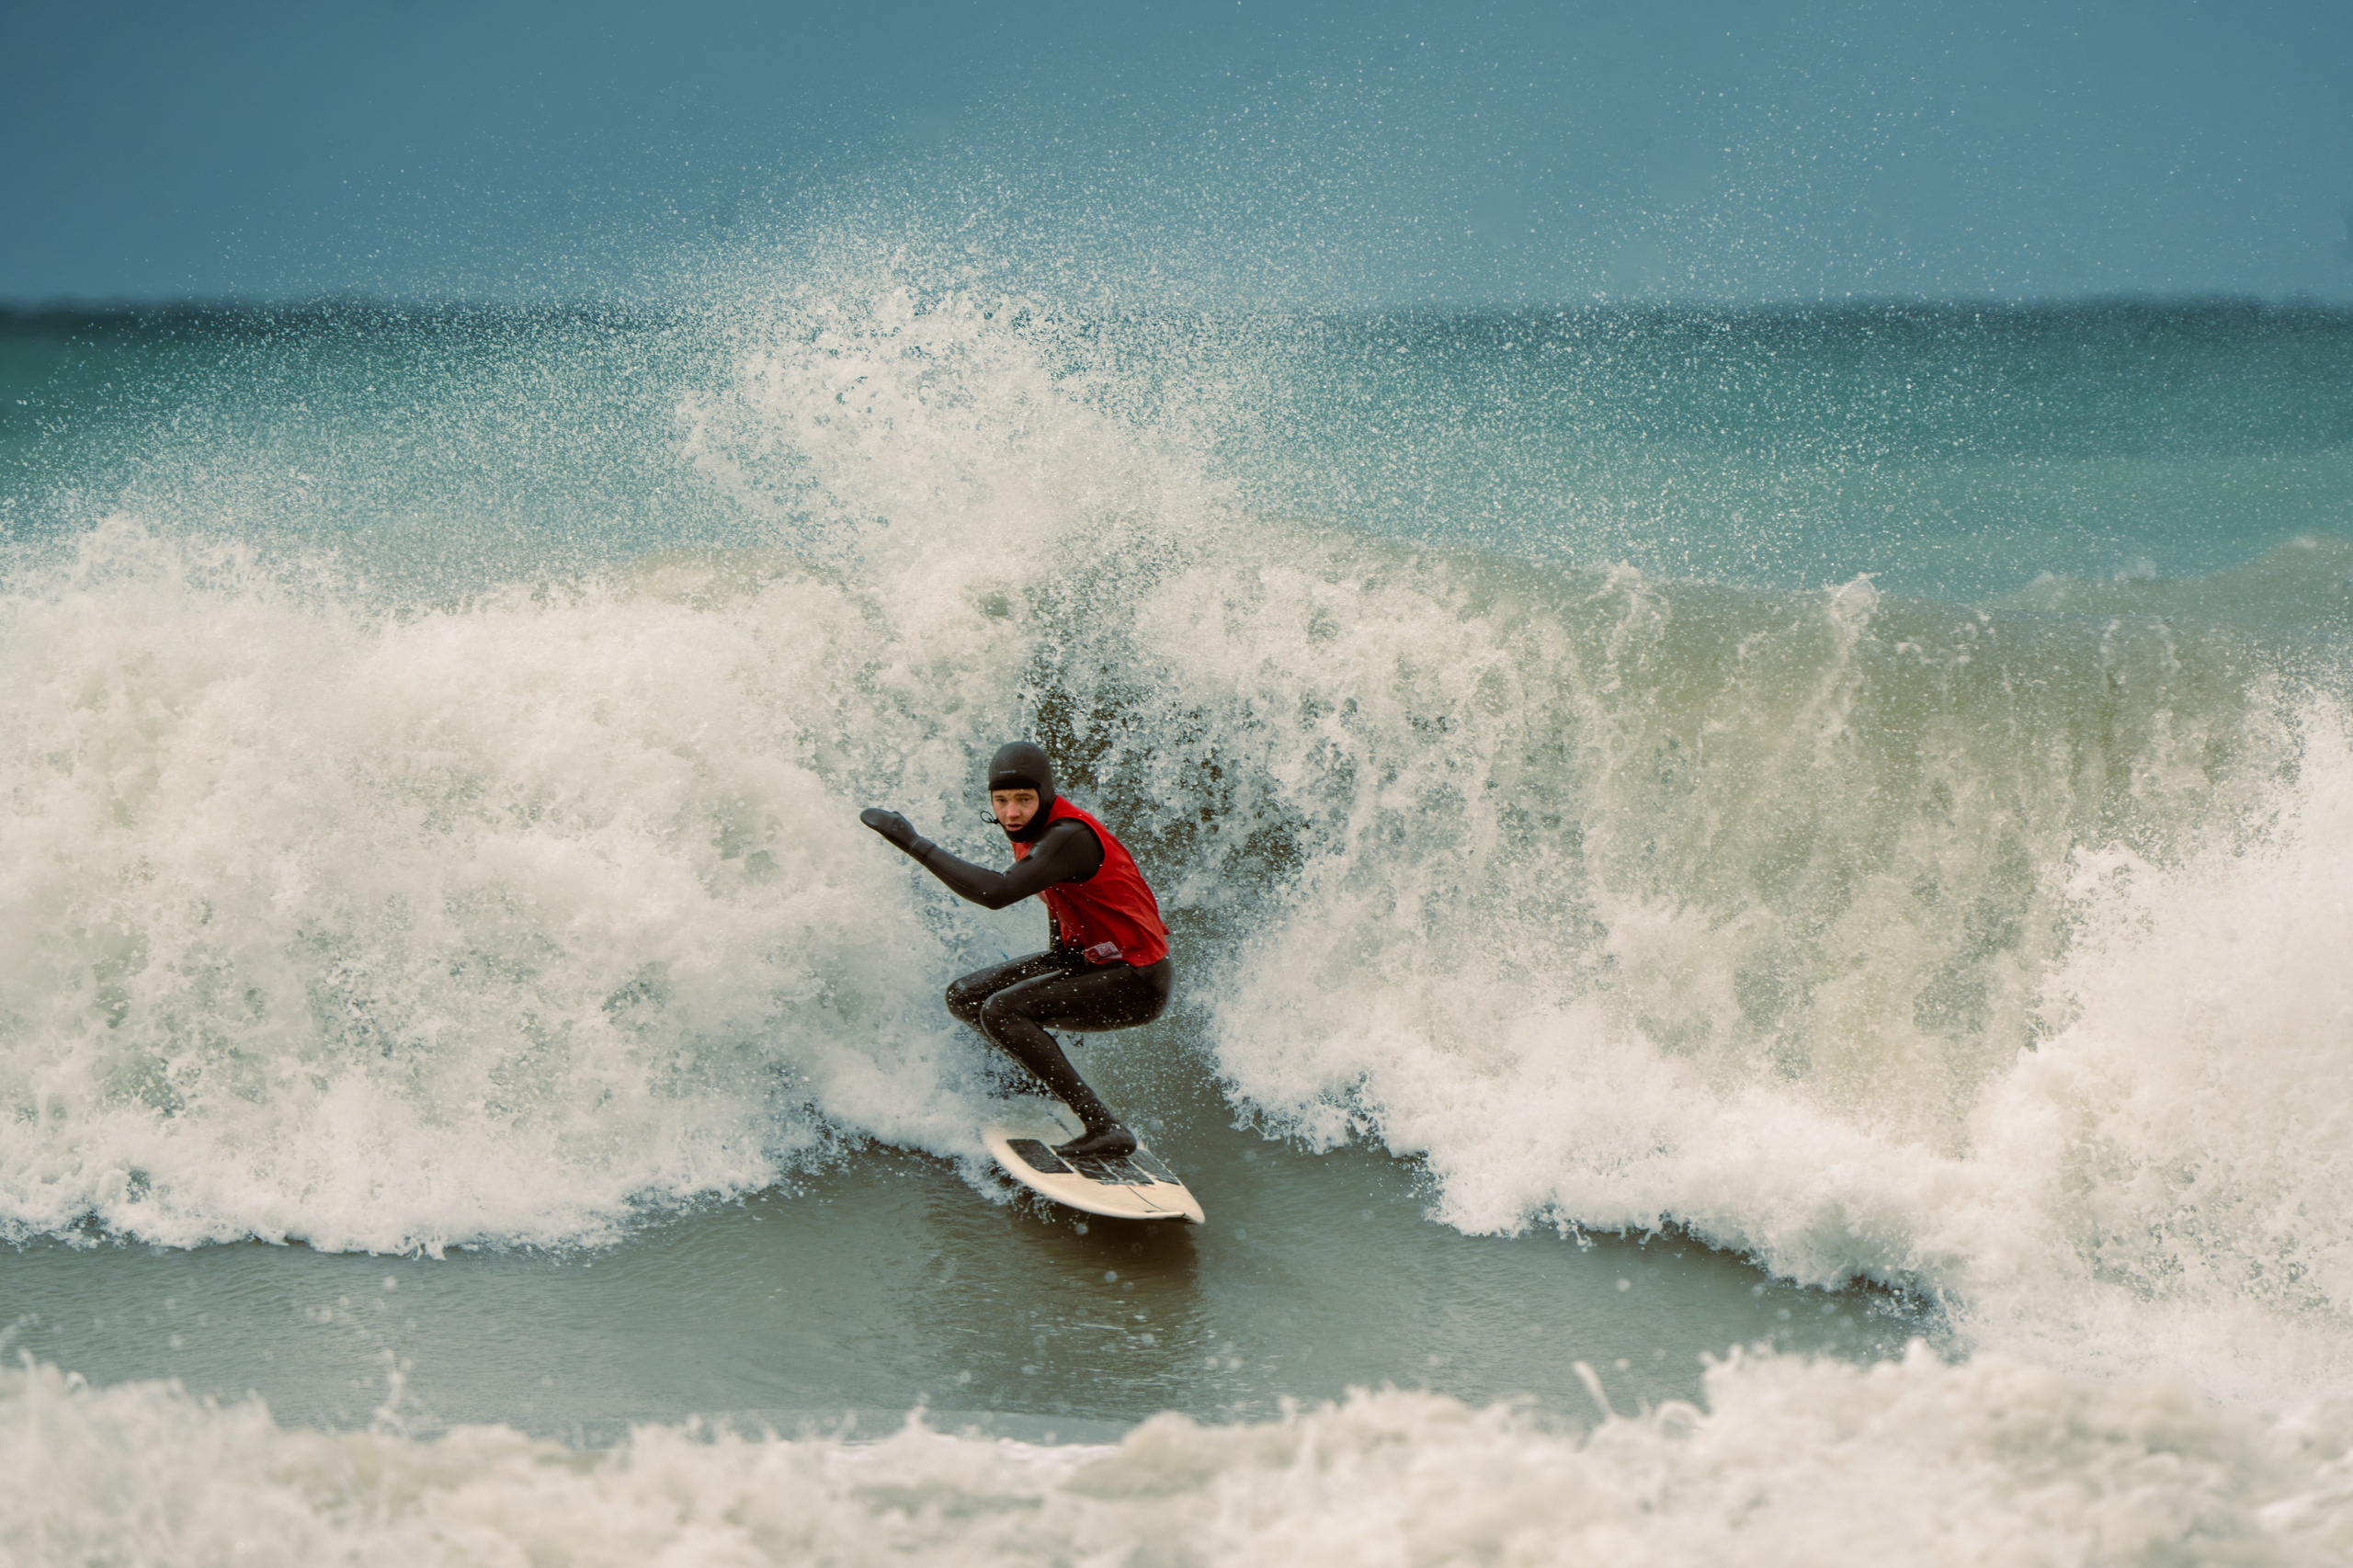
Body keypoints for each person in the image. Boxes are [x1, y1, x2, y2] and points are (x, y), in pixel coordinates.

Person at [859, 742, 1174, 1159]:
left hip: (1137, 980)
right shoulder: (1032, 830)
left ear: (1045, 797)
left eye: (1023, 800)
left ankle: (1105, 1126)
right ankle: (1036, 1079)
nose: (1010, 813)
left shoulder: (1068, 836)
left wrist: (914, 842)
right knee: (965, 996)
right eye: (1001, 801)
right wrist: (1058, 964)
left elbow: (997, 892)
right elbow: (1062, 898)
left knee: (1002, 1011)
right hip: (1089, 962)